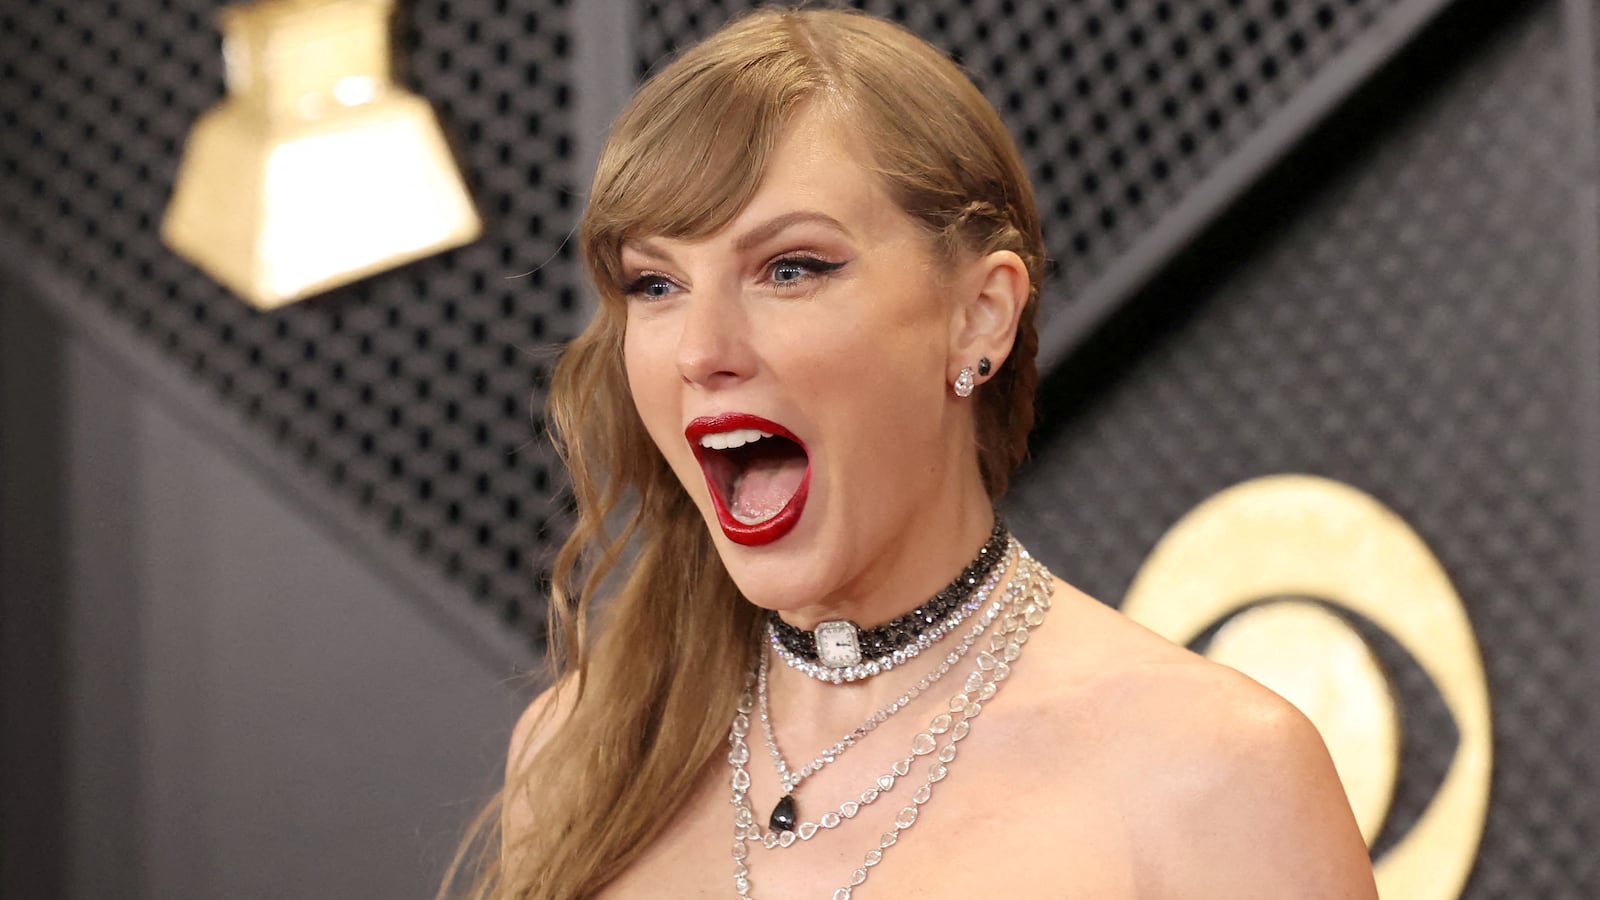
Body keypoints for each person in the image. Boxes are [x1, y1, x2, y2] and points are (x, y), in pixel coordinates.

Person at [447, 7, 1378, 899]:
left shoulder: (1215, 776)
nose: (701, 350)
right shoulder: (577, 750)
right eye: (655, 283)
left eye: (791, 268)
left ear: (980, 316)